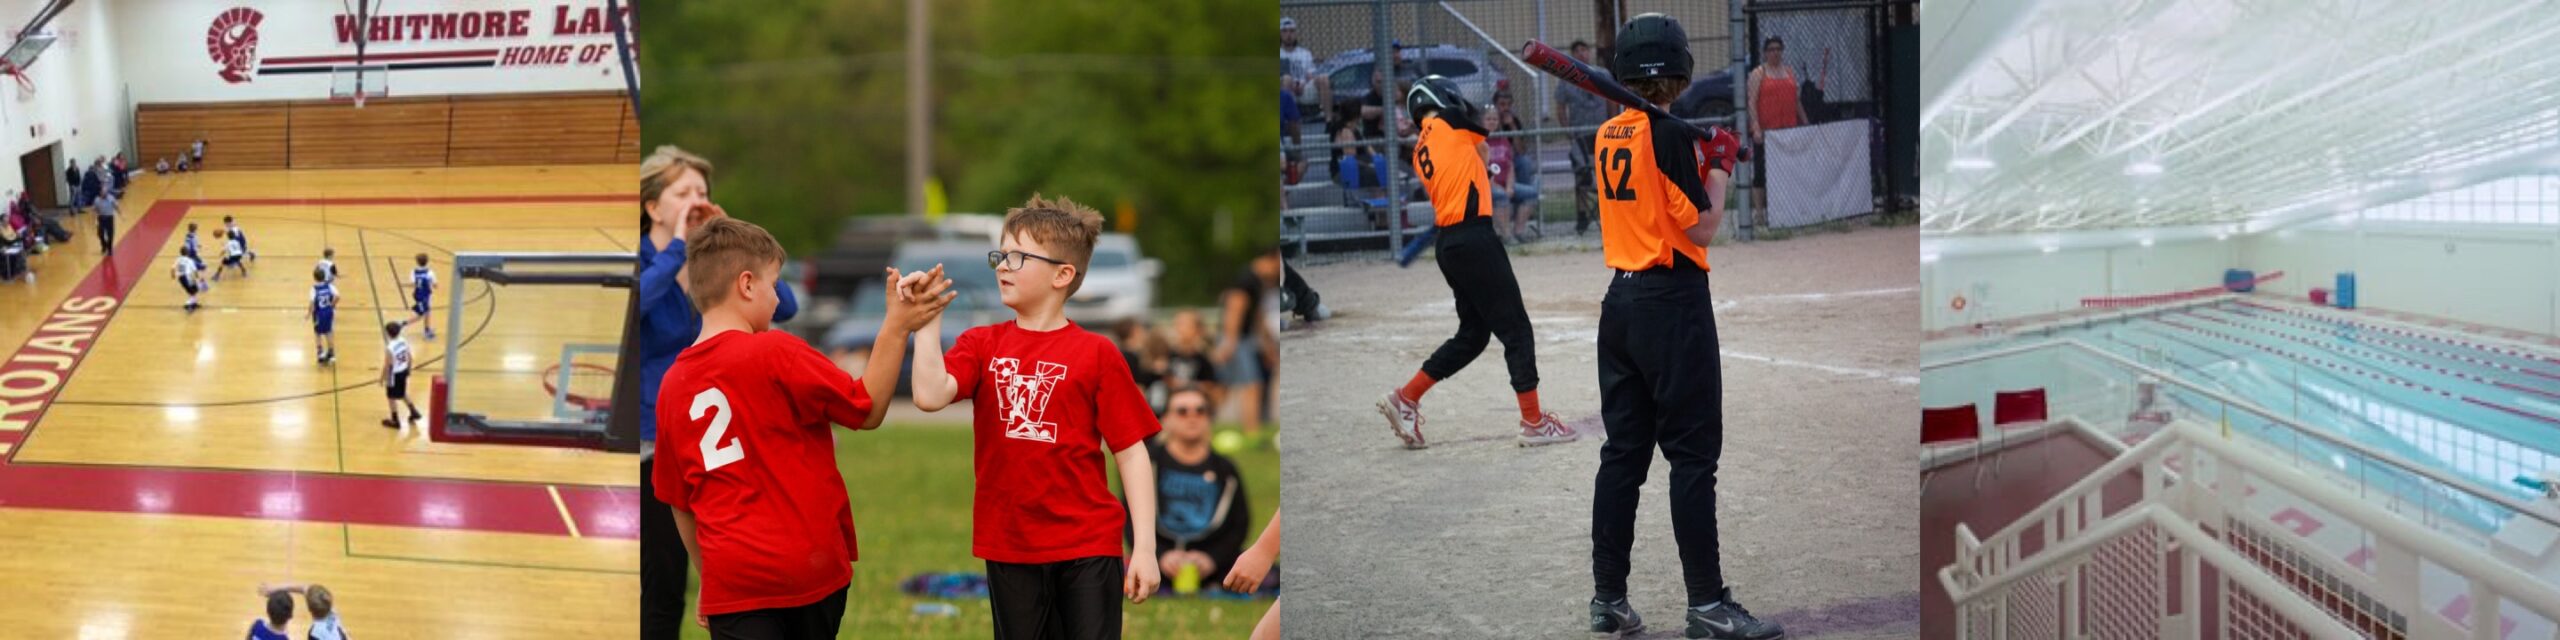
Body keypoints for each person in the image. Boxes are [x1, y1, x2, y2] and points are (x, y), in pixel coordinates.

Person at [658, 217, 950, 639]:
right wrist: (897, 325)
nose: (778, 301)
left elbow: (679, 500)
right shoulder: (775, 350)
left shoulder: (672, 383)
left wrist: (709, 578)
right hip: (806, 570)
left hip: (732, 581)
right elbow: (864, 409)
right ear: (746, 285)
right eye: (774, 285)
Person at [1585, 14, 1781, 640]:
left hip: (1620, 305)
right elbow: (1701, 225)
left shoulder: (1610, 131)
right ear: (1679, 70)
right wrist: (1720, 166)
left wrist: (1702, 154)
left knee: (1623, 457)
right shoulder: (1666, 132)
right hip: (1671, 304)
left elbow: (1657, 194)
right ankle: (1707, 604)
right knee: (1693, 459)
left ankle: (1608, 598)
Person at [908, 194, 1162, 640]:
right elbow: (930, 395)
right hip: (1009, 544)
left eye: (1017, 257)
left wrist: (1144, 547)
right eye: (1000, 255)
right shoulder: (981, 343)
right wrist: (926, 325)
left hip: (1088, 543)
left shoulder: (1097, 353)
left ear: (1063, 275)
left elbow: (1131, 453)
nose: (1002, 266)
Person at [635, 146, 799, 640]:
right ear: (653, 207)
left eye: (702, 193)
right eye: (682, 193)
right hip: (654, 438)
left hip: (718, 435)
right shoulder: (640, 257)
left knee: (730, 571)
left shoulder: (716, 263)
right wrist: (674, 252)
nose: (695, 201)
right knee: (663, 585)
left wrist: (737, 245)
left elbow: (783, 306)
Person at [1376, 75, 1578, 450]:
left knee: (1473, 335)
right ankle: (1533, 422)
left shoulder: (1423, 143)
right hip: (1474, 239)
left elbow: (1474, 159)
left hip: (1450, 245)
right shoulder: (1450, 122)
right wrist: (1481, 163)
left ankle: (1405, 398)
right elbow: (1483, 141)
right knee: (1516, 329)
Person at [1144, 386, 1251, 589]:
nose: (1192, 417)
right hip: (1156, 561)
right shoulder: (1149, 464)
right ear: (1166, 418)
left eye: (1200, 410)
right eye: (1182, 411)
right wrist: (1160, 555)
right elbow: (1131, 519)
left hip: (1213, 565)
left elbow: (1239, 525)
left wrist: (1212, 558)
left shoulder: (1225, 470)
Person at [1552, 40, 1618, 236]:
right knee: (1581, 176)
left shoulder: (1602, 74)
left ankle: (1609, 216)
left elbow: (1611, 99)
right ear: (1572, 55)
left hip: (1602, 133)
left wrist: (1613, 124)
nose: (1582, 54)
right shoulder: (1565, 79)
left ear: (1590, 53)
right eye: (1577, 51)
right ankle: (1582, 217)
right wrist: (1569, 131)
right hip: (1581, 135)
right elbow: (1560, 107)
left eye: (1584, 50)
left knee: (1607, 175)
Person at [1216, 250, 1280, 437]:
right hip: (1237, 339)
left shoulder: (1259, 281)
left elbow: (1257, 317)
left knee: (1223, 386)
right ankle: (1251, 432)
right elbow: (1234, 309)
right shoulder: (1246, 279)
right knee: (1251, 385)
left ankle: (1210, 423)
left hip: (1244, 339)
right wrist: (1229, 342)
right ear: (1272, 258)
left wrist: (1266, 345)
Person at [1746, 36, 1803, 227]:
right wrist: (1756, 128)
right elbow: (1752, 102)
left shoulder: (1789, 72)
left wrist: (1806, 122)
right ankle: (1760, 213)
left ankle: (1787, 210)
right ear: (1765, 52)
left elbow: (1796, 101)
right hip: (1767, 132)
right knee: (1761, 173)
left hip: (1788, 130)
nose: (1775, 52)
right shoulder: (1759, 73)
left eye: (1778, 48)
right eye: (1771, 49)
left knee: (1789, 171)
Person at [1486, 81, 1538, 242]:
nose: (1505, 108)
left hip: (1507, 170)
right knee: (1501, 194)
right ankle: (1506, 234)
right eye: (1501, 104)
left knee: (1525, 162)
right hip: (1491, 179)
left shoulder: (1510, 125)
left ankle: (1519, 231)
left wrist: (1512, 126)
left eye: (1508, 104)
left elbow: (1520, 151)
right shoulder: (1482, 132)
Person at [1164, 309, 1222, 407]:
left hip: (1194, 403)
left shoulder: (1203, 357)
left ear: (1197, 330)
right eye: (1177, 324)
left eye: (1184, 325)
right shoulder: (1169, 354)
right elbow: (1165, 378)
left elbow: (1211, 385)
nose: (1179, 329)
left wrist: (1190, 385)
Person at [256, 583, 347, 640]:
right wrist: (275, 589)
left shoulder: (315, 633)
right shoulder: (330, 609)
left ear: (309, 610)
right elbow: (303, 588)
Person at [383, 320, 423, 433]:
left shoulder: (390, 347)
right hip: (404, 370)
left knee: (391, 397)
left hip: (394, 374)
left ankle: (395, 421)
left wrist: (382, 378)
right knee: (402, 392)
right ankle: (413, 411)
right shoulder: (403, 341)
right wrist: (409, 369)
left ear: (388, 333)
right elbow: (410, 356)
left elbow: (387, 365)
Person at [308, 265, 338, 364]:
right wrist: (331, 305)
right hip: (329, 312)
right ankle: (331, 354)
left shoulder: (314, 288)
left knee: (318, 333)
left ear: (314, 278)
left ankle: (320, 353)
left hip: (319, 313)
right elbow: (337, 296)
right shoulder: (330, 286)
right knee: (329, 332)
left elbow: (312, 302)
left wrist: (309, 313)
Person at [410, 253, 438, 340]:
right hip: (425, 295)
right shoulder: (430, 272)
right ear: (427, 261)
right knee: (422, 315)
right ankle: (401, 324)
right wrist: (432, 284)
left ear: (417, 262)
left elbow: (413, 283)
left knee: (427, 312)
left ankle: (427, 329)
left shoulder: (413, 272)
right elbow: (435, 285)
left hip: (417, 294)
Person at [94, 189, 117, 256]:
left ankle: (109, 249)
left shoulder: (111, 198)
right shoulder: (97, 200)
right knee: (100, 234)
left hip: (109, 218)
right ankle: (104, 244)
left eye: (105, 193)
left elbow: (116, 206)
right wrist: (95, 220)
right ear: (100, 193)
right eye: (103, 193)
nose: (104, 194)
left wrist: (121, 214)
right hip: (101, 218)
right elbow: (95, 210)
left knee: (110, 234)